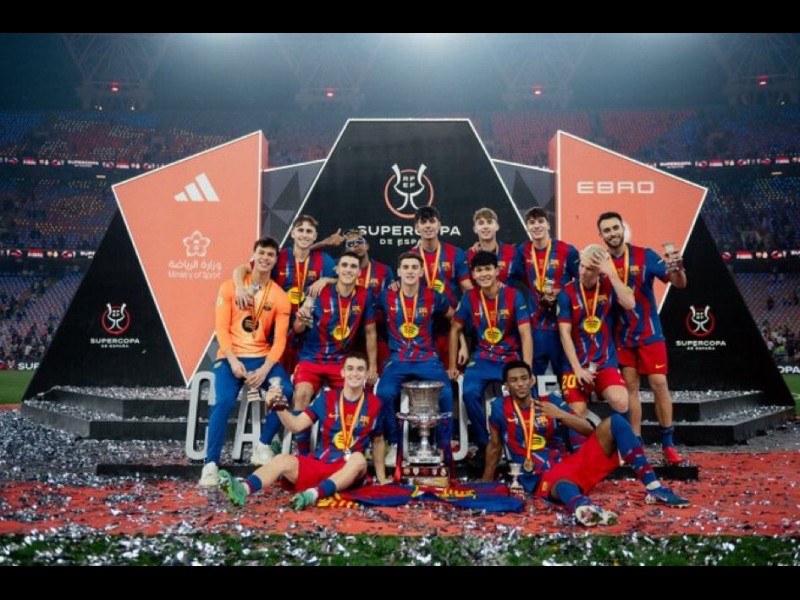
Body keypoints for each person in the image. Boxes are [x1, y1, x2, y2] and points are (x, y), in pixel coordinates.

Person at [483, 361, 689, 526]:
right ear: (506, 385)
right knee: (562, 484)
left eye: (524, 378)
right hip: (539, 476)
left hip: (570, 464)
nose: (520, 384)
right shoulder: (499, 408)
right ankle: (583, 508)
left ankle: (654, 487)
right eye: (514, 380)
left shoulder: (550, 400)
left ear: (532, 380)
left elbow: (588, 430)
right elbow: (495, 446)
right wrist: (485, 483)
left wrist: (561, 414)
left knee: (616, 422)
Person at [218, 352, 388, 509]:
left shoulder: (375, 404)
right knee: (282, 459)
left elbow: (378, 441)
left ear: (366, 374)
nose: (355, 373)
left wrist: (381, 479)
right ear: (342, 372)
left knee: (359, 459)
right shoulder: (327, 399)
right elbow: (296, 425)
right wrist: (278, 406)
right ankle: (243, 489)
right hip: (322, 464)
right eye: (350, 368)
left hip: (349, 470)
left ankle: (311, 495)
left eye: (360, 369)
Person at [199, 237, 294, 486]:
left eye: (270, 255)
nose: (265, 258)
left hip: (261, 357)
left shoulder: (280, 297)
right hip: (229, 358)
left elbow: (280, 340)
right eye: (261, 253)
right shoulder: (230, 287)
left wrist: (264, 369)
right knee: (222, 401)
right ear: (254, 255)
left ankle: (262, 445)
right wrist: (232, 360)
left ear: (275, 260)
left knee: (285, 390)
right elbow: (221, 329)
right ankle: (210, 464)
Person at [597, 211, 687, 465]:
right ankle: (636, 445)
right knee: (631, 388)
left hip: (649, 333)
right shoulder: (601, 263)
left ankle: (668, 444)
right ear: (601, 235)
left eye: (615, 228)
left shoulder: (644, 255)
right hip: (622, 337)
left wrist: (678, 268)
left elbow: (678, 283)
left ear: (622, 229)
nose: (612, 233)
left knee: (659, 383)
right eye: (607, 230)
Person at [375, 252, 467, 467]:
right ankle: (394, 444)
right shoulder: (385, 296)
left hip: (426, 358)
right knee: (384, 394)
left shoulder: (433, 296)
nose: (410, 271)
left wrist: (462, 343)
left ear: (421, 272)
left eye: (414, 267)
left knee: (446, 393)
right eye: (405, 267)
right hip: (398, 358)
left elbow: (455, 318)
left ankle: (443, 445)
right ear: (398, 271)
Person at [449, 251, 533, 466]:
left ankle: (519, 443)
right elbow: (455, 329)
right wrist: (452, 364)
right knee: (469, 392)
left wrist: (527, 369)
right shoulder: (469, 297)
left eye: (488, 269)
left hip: (509, 357)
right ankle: (485, 444)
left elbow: (525, 334)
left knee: (521, 392)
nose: (484, 274)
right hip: (483, 358)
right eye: (479, 270)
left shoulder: (514, 295)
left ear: (497, 270)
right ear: (473, 275)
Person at [292, 251, 378, 424]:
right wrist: (301, 320)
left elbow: (370, 332)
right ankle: (300, 440)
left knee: (353, 399)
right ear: (337, 269)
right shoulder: (318, 291)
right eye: (344, 265)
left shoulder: (364, 295)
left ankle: (343, 438)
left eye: (353, 266)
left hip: (341, 361)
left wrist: (373, 366)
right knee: (302, 395)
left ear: (359, 272)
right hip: (312, 358)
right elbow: (298, 329)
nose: (348, 270)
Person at [556, 244, 633, 424]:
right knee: (577, 413)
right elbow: (564, 334)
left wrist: (611, 273)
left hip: (604, 362)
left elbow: (630, 304)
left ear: (599, 270)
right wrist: (577, 369)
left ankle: (619, 438)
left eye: (589, 268)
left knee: (621, 401)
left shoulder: (609, 285)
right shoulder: (567, 292)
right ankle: (593, 437)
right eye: (581, 266)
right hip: (575, 364)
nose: (583, 272)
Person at [510, 207, 580, 379]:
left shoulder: (567, 250)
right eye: (531, 222)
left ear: (548, 224)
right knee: (530, 379)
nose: (536, 226)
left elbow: (580, 283)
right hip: (536, 326)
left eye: (540, 221)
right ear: (527, 227)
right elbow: (513, 277)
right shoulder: (522, 251)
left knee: (567, 380)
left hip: (562, 325)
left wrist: (561, 292)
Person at [410, 206, 471, 366]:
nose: (428, 226)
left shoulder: (455, 253)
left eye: (432, 221)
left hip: (450, 323)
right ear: (417, 227)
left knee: (453, 372)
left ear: (439, 225)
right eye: (423, 222)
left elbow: (467, 288)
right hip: (422, 326)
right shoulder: (411, 257)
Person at [466, 208, 516, 284]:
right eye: (481, 223)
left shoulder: (512, 253)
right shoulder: (468, 255)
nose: (485, 226)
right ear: (475, 229)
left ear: (497, 227)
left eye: (489, 222)